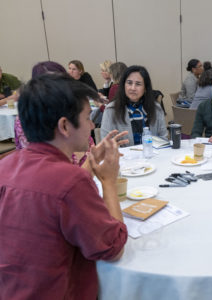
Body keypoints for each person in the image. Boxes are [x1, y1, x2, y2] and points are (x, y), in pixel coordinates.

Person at [0, 73, 128, 299]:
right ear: (64, 125)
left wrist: (89, 162)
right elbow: (112, 247)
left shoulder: (6, 165)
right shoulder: (70, 181)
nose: (91, 125)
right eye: (88, 117)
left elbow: (56, 194)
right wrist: (108, 181)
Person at [101, 65, 168, 145]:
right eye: (129, 83)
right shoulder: (111, 110)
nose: (133, 88)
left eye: (138, 84)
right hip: (123, 156)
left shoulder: (156, 108)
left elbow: (163, 139)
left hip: (152, 155)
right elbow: (106, 144)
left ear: (145, 87)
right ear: (123, 85)